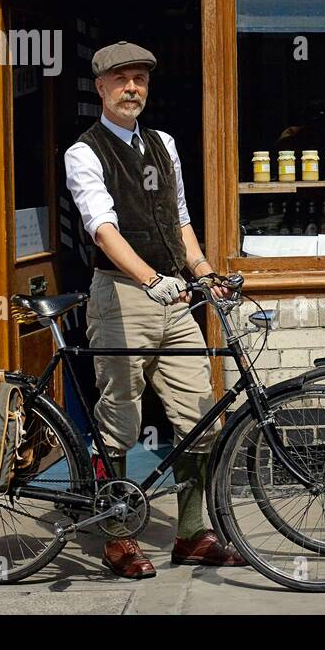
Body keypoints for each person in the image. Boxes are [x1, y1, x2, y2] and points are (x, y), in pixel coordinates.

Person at [64, 40, 246, 579]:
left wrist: (204, 274)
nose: (132, 88)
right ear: (100, 87)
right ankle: (118, 539)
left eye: (140, 78)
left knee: (200, 413)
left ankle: (191, 533)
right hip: (122, 294)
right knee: (120, 417)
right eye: (121, 79)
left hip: (174, 299)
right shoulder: (86, 151)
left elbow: (179, 221)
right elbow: (102, 229)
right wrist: (151, 280)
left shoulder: (164, 144)